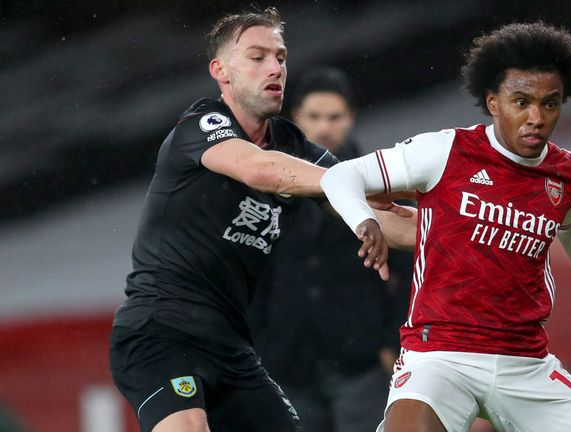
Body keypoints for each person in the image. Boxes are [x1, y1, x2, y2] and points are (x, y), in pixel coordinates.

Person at [108, 8, 411, 432]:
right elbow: (260, 170)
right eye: (257, 56)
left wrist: (466, 227)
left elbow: (381, 212)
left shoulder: (293, 145)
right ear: (221, 71)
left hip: (232, 347)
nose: (275, 67)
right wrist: (352, 187)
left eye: (281, 57)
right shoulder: (202, 125)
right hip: (160, 331)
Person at [321, 22, 571, 432]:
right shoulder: (445, 151)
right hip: (441, 353)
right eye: (522, 101)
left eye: (550, 104)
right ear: (493, 101)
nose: (536, 118)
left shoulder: (567, 174)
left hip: (525, 361)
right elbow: (339, 178)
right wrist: (365, 221)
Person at [253, 66, 412, 432]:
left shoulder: (379, 186)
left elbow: (408, 275)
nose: (324, 127)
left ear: (351, 118)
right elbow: (253, 273)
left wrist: (393, 342)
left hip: (361, 359)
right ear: (295, 118)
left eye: (334, 116)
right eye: (314, 116)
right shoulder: (266, 185)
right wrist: (258, 342)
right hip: (287, 358)